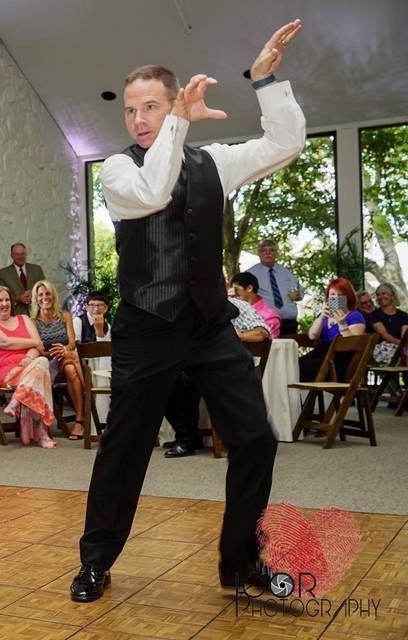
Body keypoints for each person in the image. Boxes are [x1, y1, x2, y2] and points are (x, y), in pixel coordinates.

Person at [70, 20, 305, 604]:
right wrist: (178, 124)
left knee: (254, 438)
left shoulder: (216, 164)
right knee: (125, 448)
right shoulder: (119, 171)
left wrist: (267, 81)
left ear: (173, 104)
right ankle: (96, 562)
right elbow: (154, 190)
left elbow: (285, 145)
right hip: (147, 328)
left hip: (206, 325)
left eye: (153, 107)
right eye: (131, 110)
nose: (139, 119)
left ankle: (240, 563)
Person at [163, 296, 271, 459]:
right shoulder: (181, 308)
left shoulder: (237, 305)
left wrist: (232, 337)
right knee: (163, 379)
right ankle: (189, 435)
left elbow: (262, 332)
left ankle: (186, 440)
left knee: (182, 380)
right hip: (192, 362)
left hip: (229, 364)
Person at [0, 285, 56, 448]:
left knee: (41, 363)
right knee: (41, 368)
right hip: (6, 374)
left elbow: (39, 349)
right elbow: (6, 342)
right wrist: (34, 343)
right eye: (0, 300)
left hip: (29, 367)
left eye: (7, 299)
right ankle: (41, 433)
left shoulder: (24, 319)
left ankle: (15, 401)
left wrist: (27, 359)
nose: (5, 303)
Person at [32, 280, 87, 439]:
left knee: (70, 367)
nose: (44, 297)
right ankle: (88, 396)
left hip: (65, 360)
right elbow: (38, 351)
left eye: (47, 293)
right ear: (36, 299)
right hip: (47, 365)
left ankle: (79, 420)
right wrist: (56, 353)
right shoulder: (33, 322)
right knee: (73, 360)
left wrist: (65, 350)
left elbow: (71, 342)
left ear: (53, 296)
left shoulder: (65, 316)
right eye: (40, 295)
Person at [299, 277, 366, 381]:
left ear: (348, 297)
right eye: (333, 295)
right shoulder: (324, 316)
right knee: (296, 365)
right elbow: (312, 336)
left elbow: (353, 344)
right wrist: (321, 317)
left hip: (340, 361)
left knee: (305, 367)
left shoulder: (354, 316)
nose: (336, 298)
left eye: (340, 295)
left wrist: (342, 324)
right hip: (323, 356)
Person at [247, 239, 303, 334]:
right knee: (269, 349)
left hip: (289, 324)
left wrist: (298, 295)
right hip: (266, 324)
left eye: (272, 250)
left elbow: (299, 291)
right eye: (263, 250)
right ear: (259, 253)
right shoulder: (250, 274)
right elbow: (245, 298)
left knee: (289, 348)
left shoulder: (286, 272)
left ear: (276, 253)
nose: (267, 253)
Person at [0, 243, 46, 317]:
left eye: (22, 254)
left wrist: (34, 294)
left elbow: (45, 289)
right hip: (15, 315)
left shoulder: (37, 269)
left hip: (37, 314)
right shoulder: (3, 273)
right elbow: (1, 297)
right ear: (12, 256)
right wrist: (17, 299)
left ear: (26, 254)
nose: (20, 256)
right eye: (17, 254)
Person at [231, 272, 281, 338]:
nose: (233, 293)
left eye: (236, 289)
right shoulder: (234, 309)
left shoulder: (269, 316)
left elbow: (267, 343)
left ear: (249, 288)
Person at [367, 283, 407, 364]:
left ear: (392, 295)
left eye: (383, 293)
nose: (380, 297)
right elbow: (384, 335)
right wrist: (401, 345)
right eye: (378, 295)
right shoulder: (375, 315)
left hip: (401, 347)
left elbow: (405, 335)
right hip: (382, 348)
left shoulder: (403, 316)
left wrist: (404, 345)